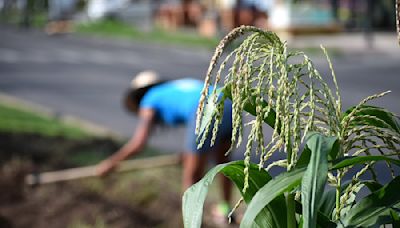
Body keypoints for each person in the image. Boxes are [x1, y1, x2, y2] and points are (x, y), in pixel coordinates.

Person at [96, 70, 234, 223]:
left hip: (203, 110)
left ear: (138, 95)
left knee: (191, 179)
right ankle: (226, 211)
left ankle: (192, 224)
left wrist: (111, 163)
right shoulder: (175, 87)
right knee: (224, 164)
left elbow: (138, 143)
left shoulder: (149, 99)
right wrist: (189, 155)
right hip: (229, 103)